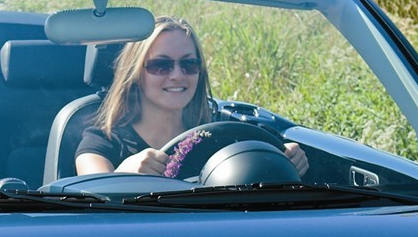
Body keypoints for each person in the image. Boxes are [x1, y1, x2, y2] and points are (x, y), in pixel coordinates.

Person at [75, 16, 308, 178]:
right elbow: (94, 205)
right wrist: (122, 176)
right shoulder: (100, 142)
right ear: (135, 73)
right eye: (161, 65)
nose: (177, 75)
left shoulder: (223, 135)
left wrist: (286, 161)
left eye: (189, 64)